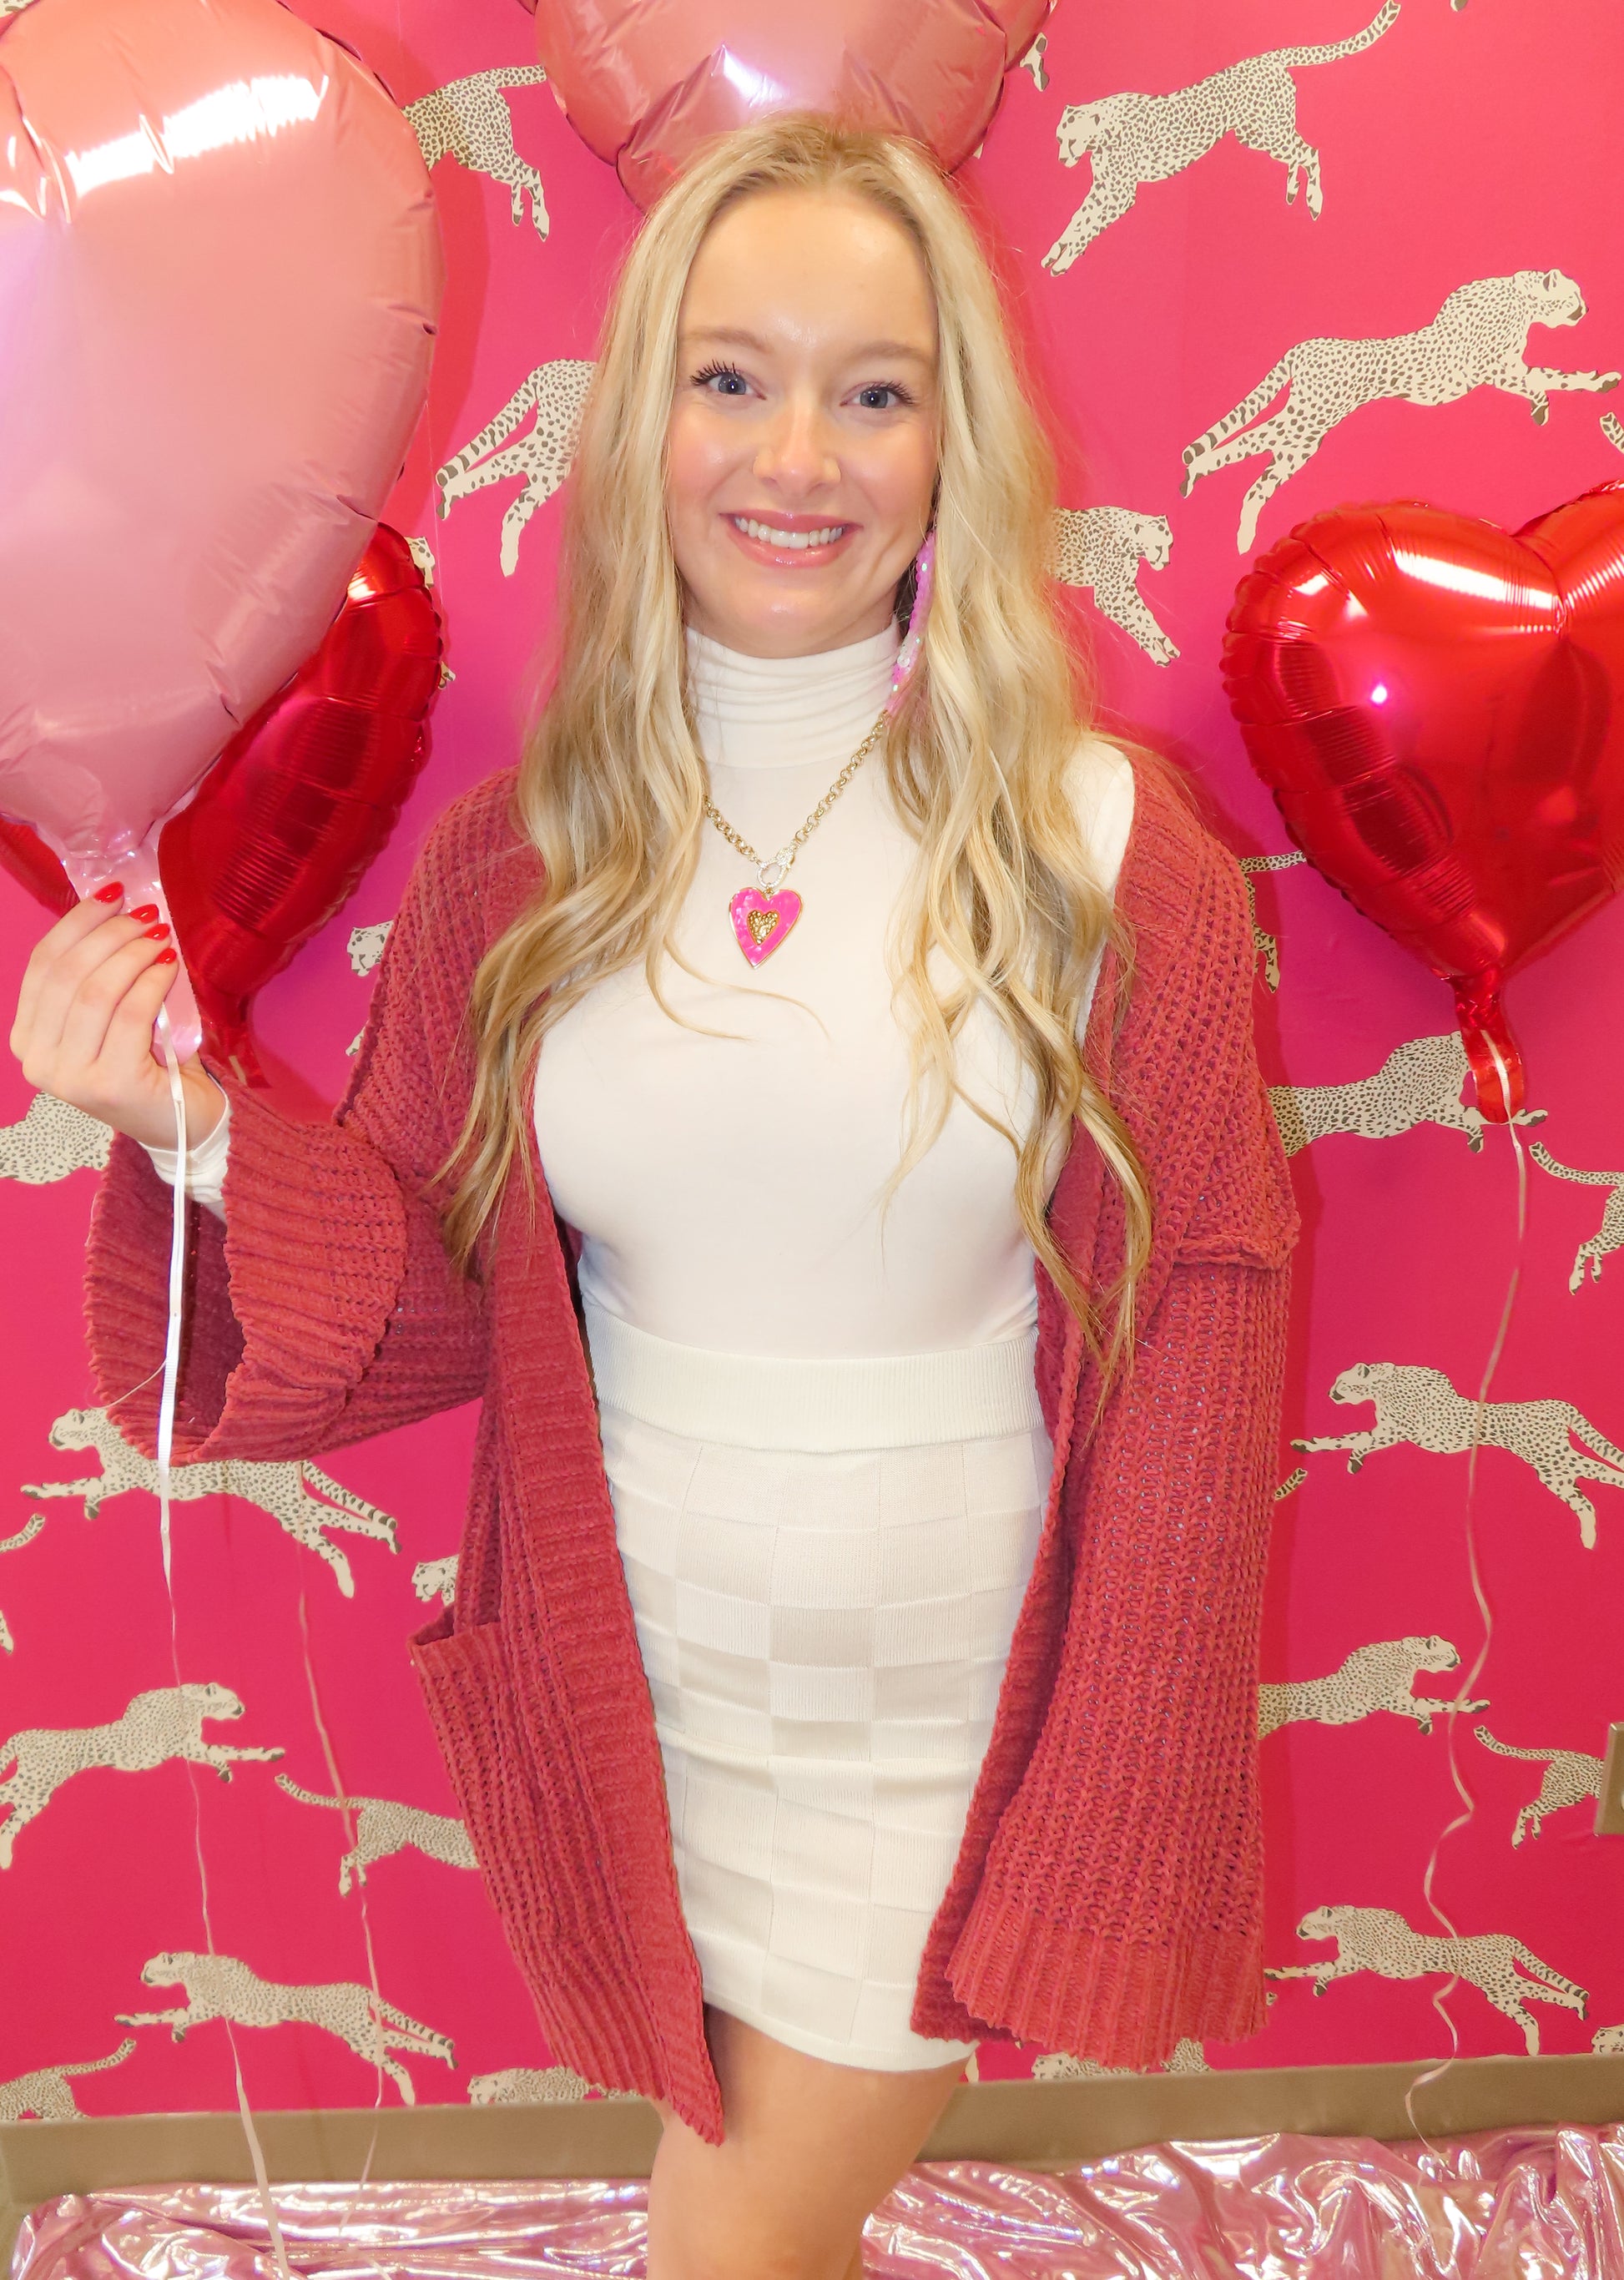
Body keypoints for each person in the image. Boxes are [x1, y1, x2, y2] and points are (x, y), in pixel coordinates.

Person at [8, 114, 1298, 2280]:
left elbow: (1200, 1321)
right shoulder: (524, 861)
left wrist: (1115, 1783)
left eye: (873, 390)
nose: (797, 455)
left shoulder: (1094, 844)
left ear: (953, 442)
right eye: (730, 376)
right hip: (650, 1699)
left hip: (944, 1718)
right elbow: (427, 1288)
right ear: (642, 422)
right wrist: (186, 1123)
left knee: (724, 2246)